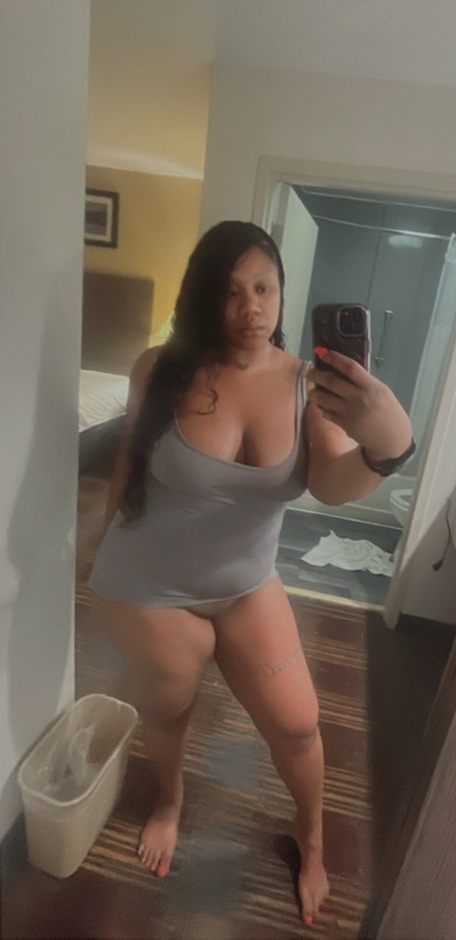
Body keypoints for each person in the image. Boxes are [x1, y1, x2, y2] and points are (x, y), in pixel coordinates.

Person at [88, 220, 414, 925]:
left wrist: (387, 452)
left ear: (281, 293)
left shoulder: (306, 384)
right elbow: (127, 462)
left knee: (299, 725)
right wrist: (93, 558)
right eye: (231, 291)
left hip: (245, 584)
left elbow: (331, 483)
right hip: (149, 585)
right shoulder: (158, 369)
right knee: (171, 708)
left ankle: (312, 839)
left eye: (264, 288)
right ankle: (170, 801)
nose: (250, 308)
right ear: (205, 297)